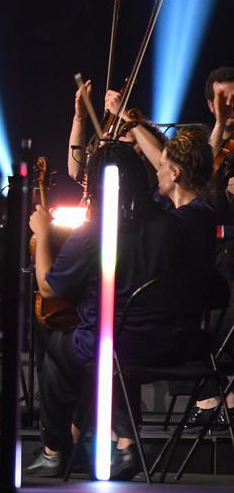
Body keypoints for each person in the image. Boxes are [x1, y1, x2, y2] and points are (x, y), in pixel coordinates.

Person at [27, 140, 226, 479]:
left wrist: (42, 235)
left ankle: (55, 450)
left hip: (123, 347)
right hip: (182, 346)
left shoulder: (94, 233)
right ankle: (123, 444)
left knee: (63, 348)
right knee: (109, 344)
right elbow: (215, 289)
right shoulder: (174, 225)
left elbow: (49, 287)